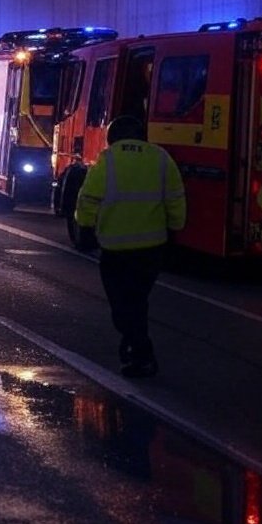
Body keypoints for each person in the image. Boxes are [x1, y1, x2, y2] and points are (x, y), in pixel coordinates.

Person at [74, 114, 186, 378]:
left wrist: (85, 226)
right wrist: (176, 227)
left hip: (116, 251)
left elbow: (88, 198)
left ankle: (141, 352)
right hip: (152, 249)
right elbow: (175, 198)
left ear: (112, 137)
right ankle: (134, 347)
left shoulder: (107, 159)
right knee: (137, 301)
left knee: (122, 305)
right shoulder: (161, 158)